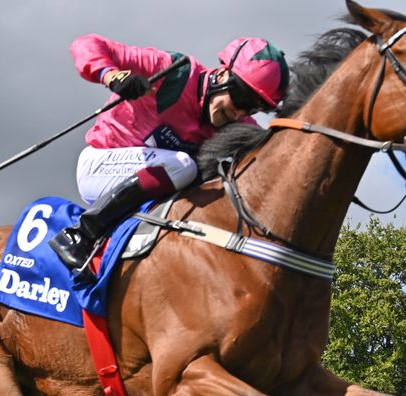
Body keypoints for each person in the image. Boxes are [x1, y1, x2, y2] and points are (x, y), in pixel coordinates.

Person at [48, 33, 289, 276]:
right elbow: (87, 44)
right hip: (99, 167)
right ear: (223, 74)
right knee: (184, 166)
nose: (239, 113)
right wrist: (111, 75)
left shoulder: (242, 125)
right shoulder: (175, 73)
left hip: (147, 192)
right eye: (243, 97)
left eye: (254, 108)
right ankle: (80, 233)